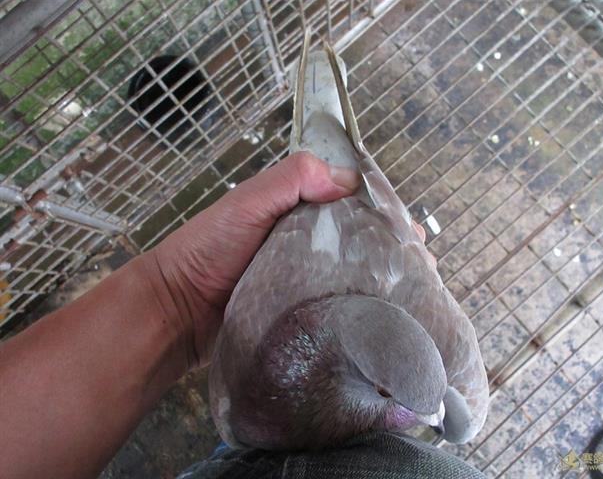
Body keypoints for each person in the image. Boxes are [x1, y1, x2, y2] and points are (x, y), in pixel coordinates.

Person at [0, 152, 485, 478]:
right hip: (337, 224)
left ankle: (246, 456)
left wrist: (175, 296)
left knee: (252, 437)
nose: (431, 418)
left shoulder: (435, 378)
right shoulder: (251, 367)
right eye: (384, 391)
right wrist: (170, 296)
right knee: (249, 434)